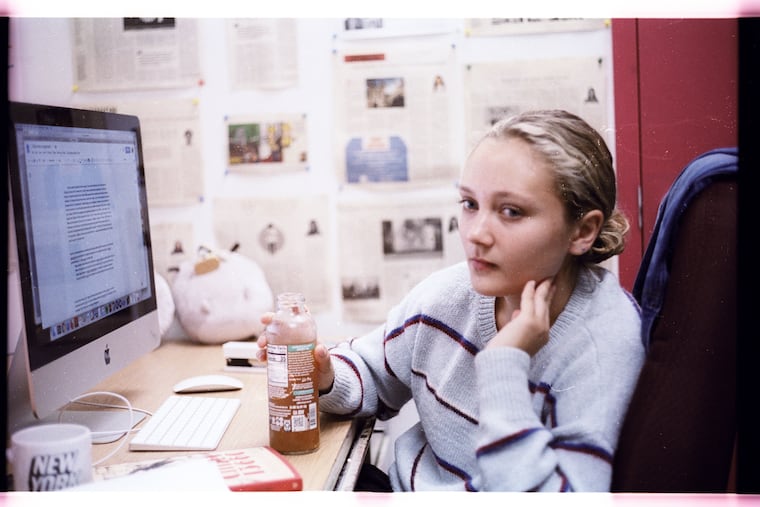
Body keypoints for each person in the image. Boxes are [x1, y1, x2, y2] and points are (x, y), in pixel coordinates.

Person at [258, 109, 645, 491]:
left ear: (583, 229)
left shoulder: (603, 342)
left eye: (510, 211)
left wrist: (502, 363)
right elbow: (375, 372)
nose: (476, 233)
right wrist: (323, 374)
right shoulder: (450, 293)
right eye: (469, 204)